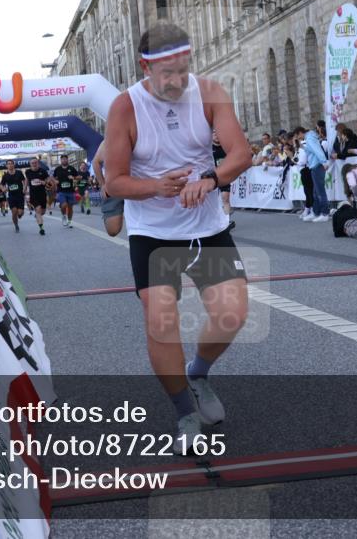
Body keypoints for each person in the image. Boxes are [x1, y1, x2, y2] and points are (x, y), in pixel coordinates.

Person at [104, 23, 251, 452]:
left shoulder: (210, 92)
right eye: (165, 73)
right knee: (162, 320)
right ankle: (185, 413)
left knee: (232, 315)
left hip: (206, 226)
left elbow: (241, 155)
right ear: (144, 67)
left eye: (182, 70)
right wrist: (156, 187)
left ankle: (198, 372)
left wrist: (210, 177)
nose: (175, 81)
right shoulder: (124, 108)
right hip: (153, 232)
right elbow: (114, 182)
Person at [91, 143, 124, 236]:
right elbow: (95, 162)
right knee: (113, 230)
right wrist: (103, 185)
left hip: (139, 184)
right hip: (114, 185)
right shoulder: (113, 137)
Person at [302, 125, 330, 222]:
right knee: (315, 191)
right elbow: (313, 151)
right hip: (315, 165)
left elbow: (317, 150)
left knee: (319, 191)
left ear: (300, 133)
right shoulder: (309, 138)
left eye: (297, 136)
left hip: (317, 165)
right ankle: (316, 212)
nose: (298, 139)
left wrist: (323, 162)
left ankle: (325, 213)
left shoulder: (309, 138)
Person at [24, 157, 53, 236]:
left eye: (35, 162)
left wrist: (44, 182)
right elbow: (27, 180)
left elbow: (48, 180)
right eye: (32, 163)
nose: (34, 164)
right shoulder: (28, 172)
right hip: (33, 195)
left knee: (42, 211)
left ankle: (37, 215)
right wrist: (25, 188)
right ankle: (41, 228)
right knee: (38, 209)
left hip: (42, 194)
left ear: (38, 163)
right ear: (30, 164)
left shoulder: (42, 171)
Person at [293, 127, 314, 220]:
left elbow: (302, 160)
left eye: (297, 136)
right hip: (302, 170)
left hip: (306, 169)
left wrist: (295, 161)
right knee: (307, 190)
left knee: (309, 190)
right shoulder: (299, 146)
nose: (296, 138)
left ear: (300, 134)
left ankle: (312, 209)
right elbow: (295, 158)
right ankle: (308, 208)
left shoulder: (304, 144)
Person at [53, 154, 79, 228]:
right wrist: (55, 181)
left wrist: (73, 177)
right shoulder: (57, 169)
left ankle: (70, 221)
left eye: (65, 159)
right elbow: (53, 178)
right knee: (64, 205)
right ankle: (64, 216)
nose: (64, 160)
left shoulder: (71, 168)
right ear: (61, 160)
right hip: (61, 191)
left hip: (70, 191)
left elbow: (78, 177)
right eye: (63, 159)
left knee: (70, 208)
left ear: (67, 160)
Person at [211, 129, 233, 216]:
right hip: (211, 177)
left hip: (224, 176)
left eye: (218, 133)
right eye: (214, 133)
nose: (216, 135)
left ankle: (226, 221)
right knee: (212, 201)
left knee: (225, 198)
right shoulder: (208, 148)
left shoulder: (226, 147)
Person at [1, 162, 26, 232]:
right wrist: (3, 189)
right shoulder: (5, 176)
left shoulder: (19, 172)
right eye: (8, 164)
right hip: (11, 196)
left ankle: (19, 215)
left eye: (11, 163)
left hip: (20, 195)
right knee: (14, 211)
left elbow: (24, 181)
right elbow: (1, 184)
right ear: (6, 166)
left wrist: (25, 188)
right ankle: (16, 225)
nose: (10, 165)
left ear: (13, 165)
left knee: (20, 213)